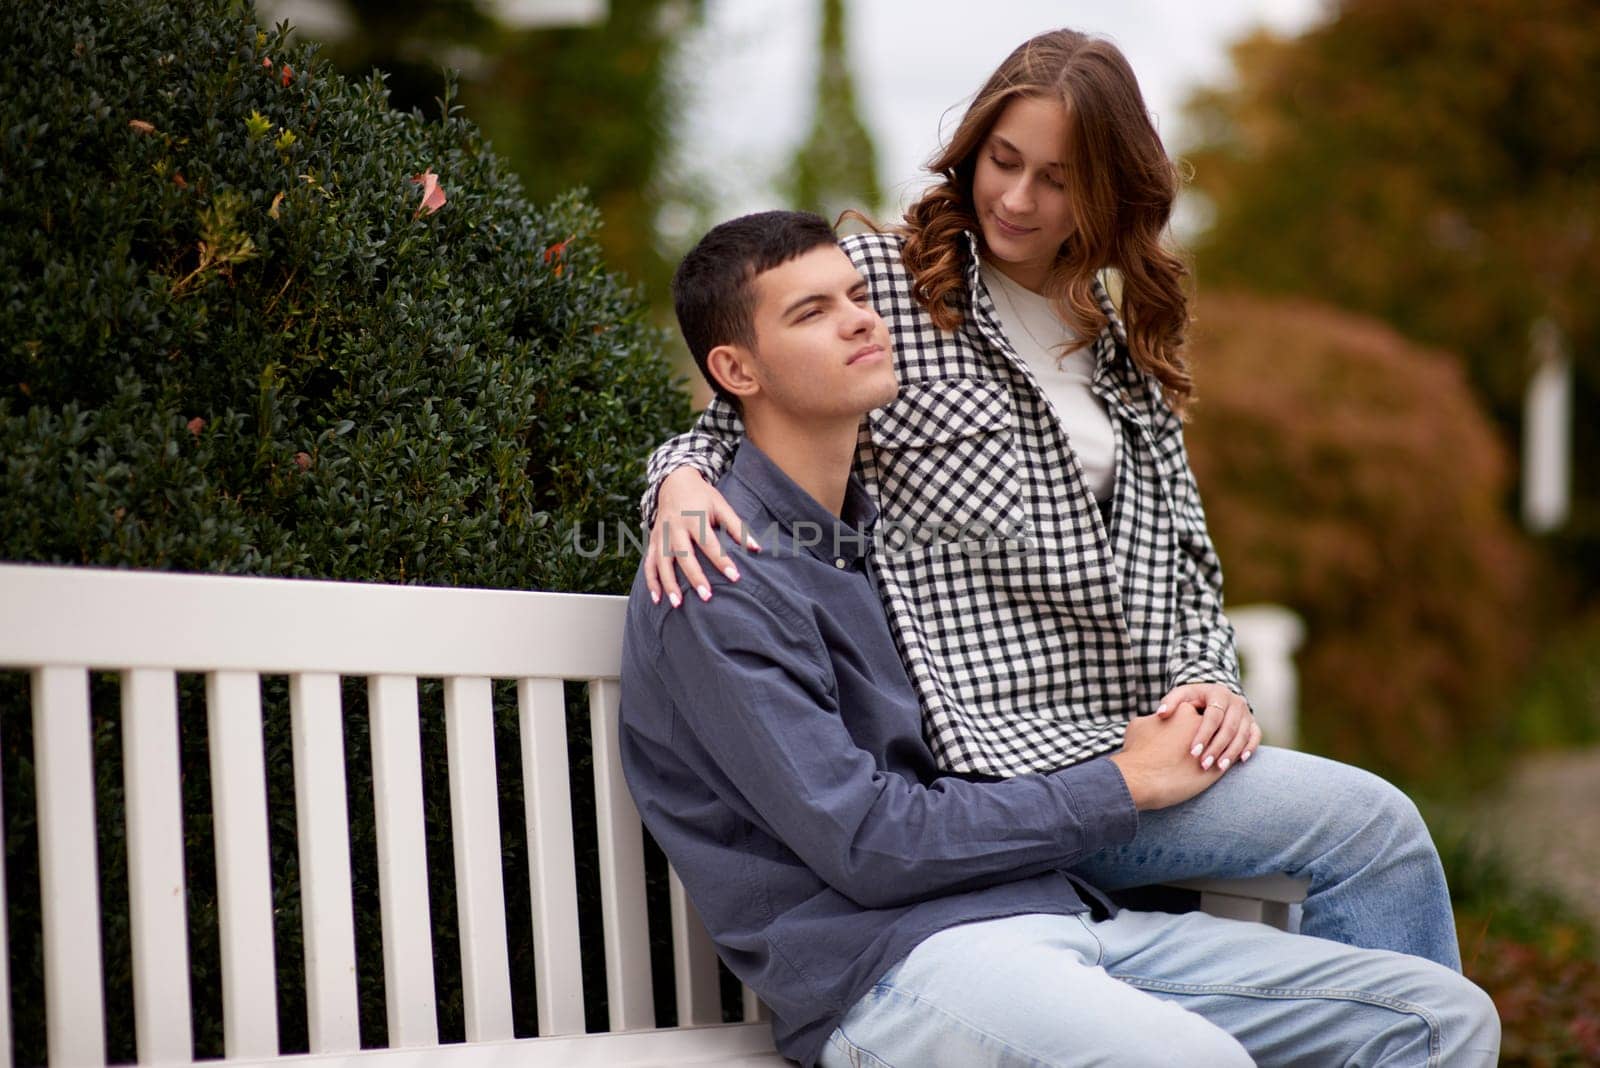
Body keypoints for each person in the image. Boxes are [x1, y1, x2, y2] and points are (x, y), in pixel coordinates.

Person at [639, 29, 1463, 969]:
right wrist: (677, 480)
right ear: (974, 148)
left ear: (1110, 191)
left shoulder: (1128, 339)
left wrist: (1209, 682)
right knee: (1373, 832)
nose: (1019, 199)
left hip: (1146, 744)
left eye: (1059, 179)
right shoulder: (890, 293)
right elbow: (749, 399)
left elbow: (1184, 563)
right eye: (1003, 160)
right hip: (1003, 766)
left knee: (1375, 838)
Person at [619, 208, 1499, 1068]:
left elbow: (1170, 565)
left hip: (1052, 915)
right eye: (812, 313)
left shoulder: (883, 533)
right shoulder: (717, 580)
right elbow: (868, 842)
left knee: (1436, 1017)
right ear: (736, 368)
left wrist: (1200, 684)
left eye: (857, 295)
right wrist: (1124, 782)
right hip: (895, 970)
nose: (859, 320)